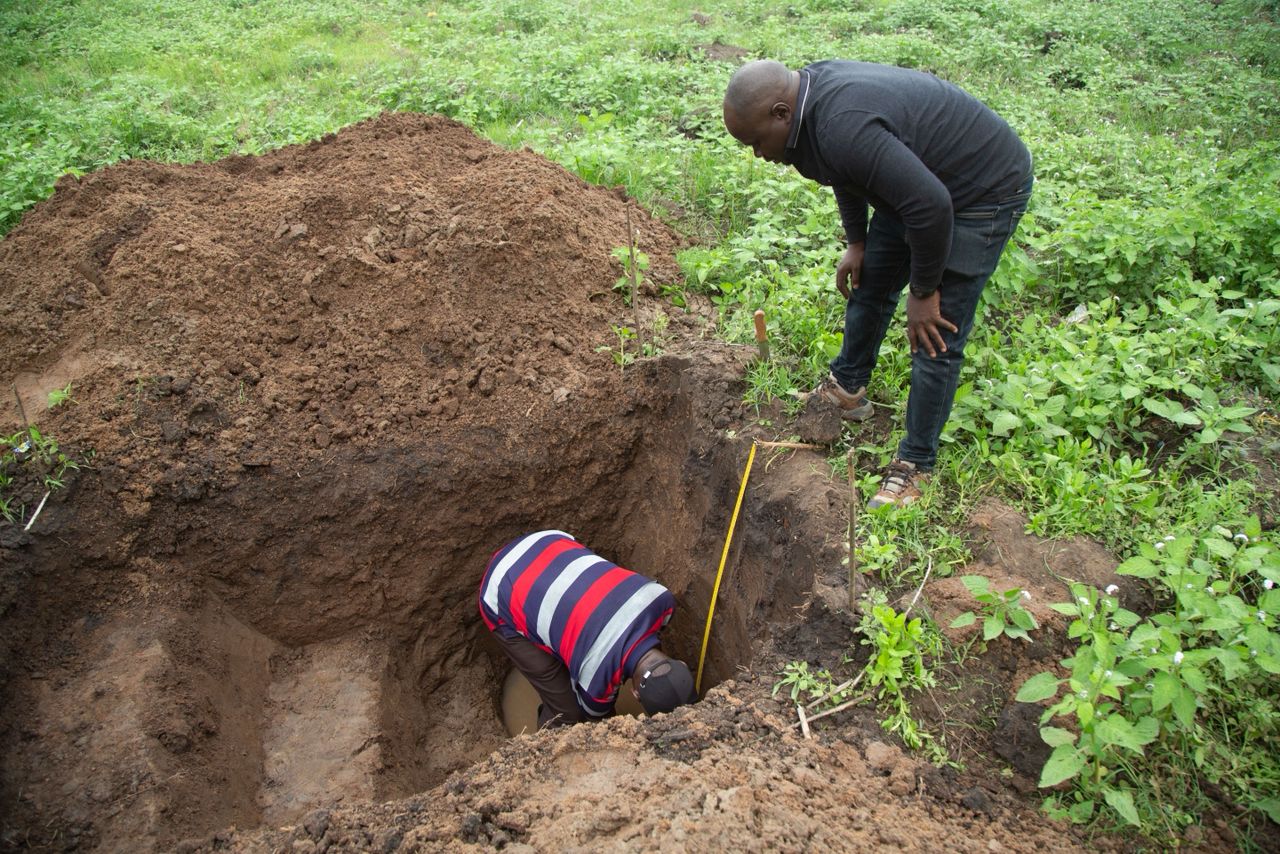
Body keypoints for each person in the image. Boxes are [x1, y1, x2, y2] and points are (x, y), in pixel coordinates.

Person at [723, 59, 1033, 508]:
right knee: (870, 284)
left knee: (935, 332)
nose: (757, 154)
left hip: (980, 190)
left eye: (756, 141)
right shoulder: (811, 113)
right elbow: (843, 169)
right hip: (920, 182)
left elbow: (932, 206)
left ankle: (916, 463)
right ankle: (848, 388)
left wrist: (924, 292)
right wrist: (857, 241)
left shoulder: (841, 125)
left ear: (780, 113)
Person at [478, 529, 697, 729]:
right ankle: (542, 750)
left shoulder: (662, 599)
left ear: (681, 663)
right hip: (500, 590)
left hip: (549, 542)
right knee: (567, 714)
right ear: (635, 694)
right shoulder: (594, 684)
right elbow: (602, 725)